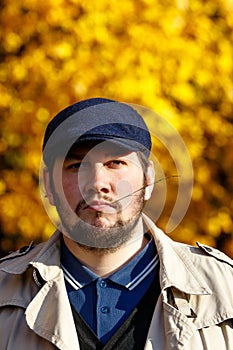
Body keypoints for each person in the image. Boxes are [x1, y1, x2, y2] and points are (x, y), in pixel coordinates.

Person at [0, 98, 232, 350]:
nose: (98, 183)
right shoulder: (5, 291)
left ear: (148, 179)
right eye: (77, 165)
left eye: (115, 163)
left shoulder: (225, 289)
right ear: (48, 185)